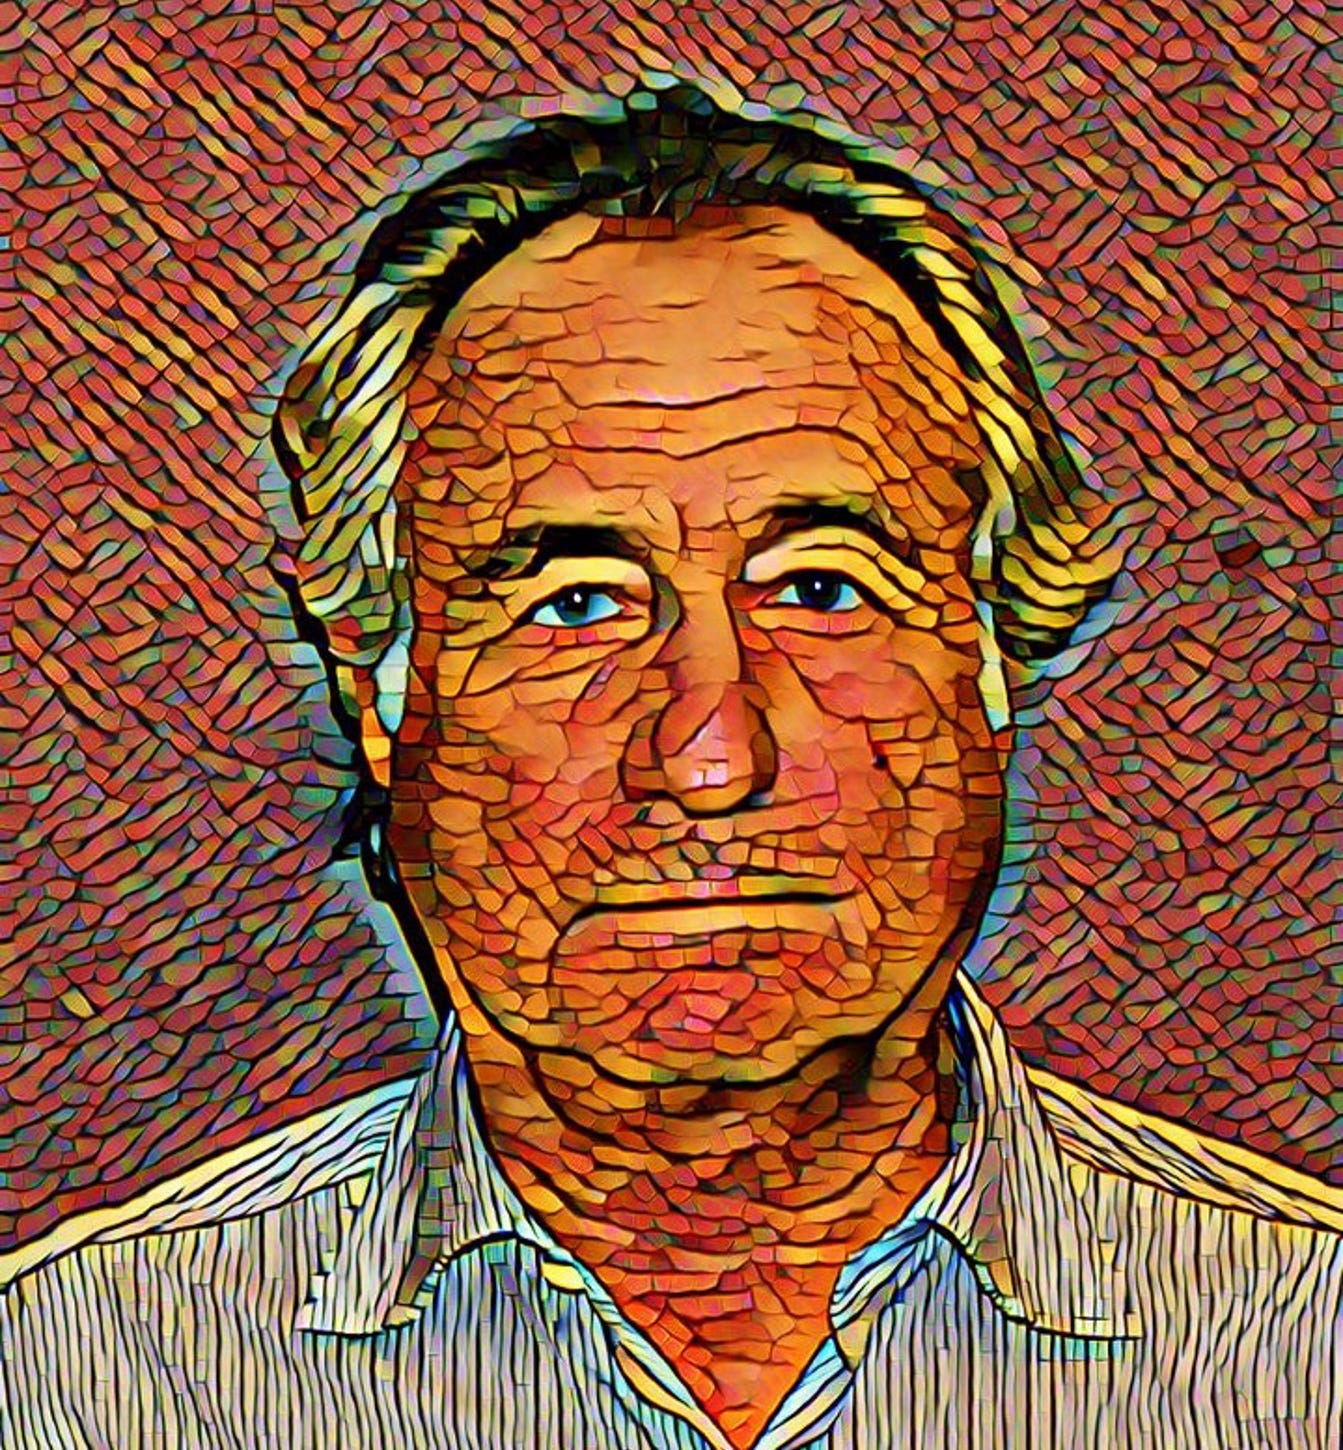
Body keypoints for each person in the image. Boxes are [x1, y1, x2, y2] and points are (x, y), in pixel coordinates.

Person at [1, 83, 1338, 1450]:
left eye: (823, 587)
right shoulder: (84, 1379)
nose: (708, 754)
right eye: (575, 604)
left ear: (991, 655)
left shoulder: (1301, 1347)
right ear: (381, 687)